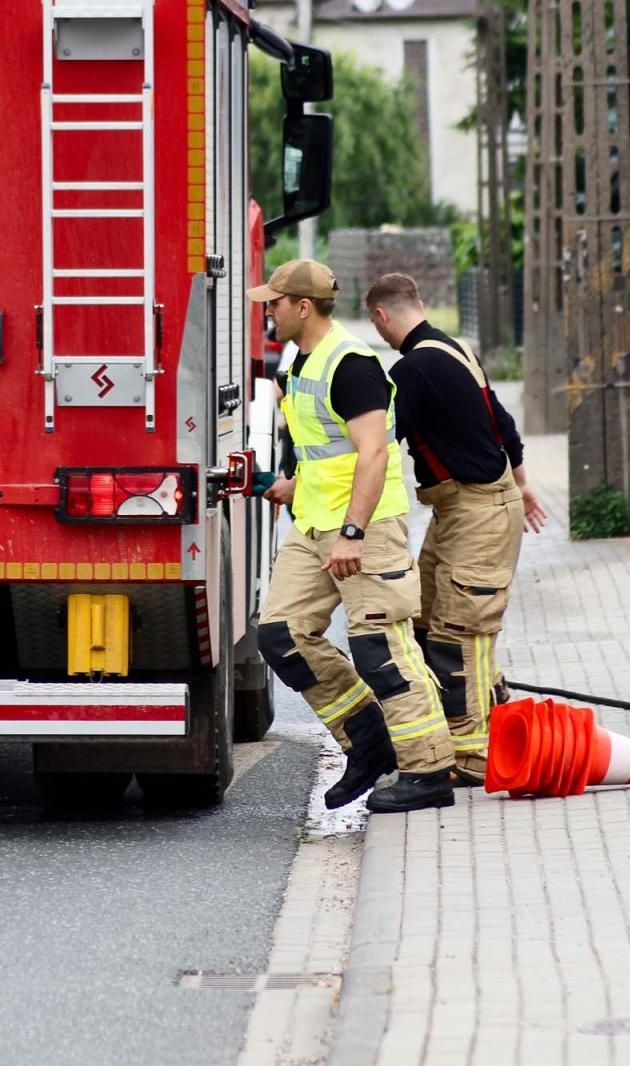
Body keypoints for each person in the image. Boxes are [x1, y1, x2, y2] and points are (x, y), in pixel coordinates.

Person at [250, 259, 457, 814]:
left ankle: (428, 770)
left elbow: (373, 453)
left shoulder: (351, 364)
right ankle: (368, 744)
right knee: (281, 636)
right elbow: (328, 451)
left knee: (381, 648)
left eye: (274, 301)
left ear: (301, 306)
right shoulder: (302, 360)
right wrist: (292, 485)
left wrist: (352, 533)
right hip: (315, 520)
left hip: (363, 529)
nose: (266, 310)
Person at [363, 272, 547, 787]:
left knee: (458, 635)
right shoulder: (455, 350)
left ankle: (473, 755)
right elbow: (503, 423)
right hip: (464, 509)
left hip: (478, 513)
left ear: (381, 316)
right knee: (426, 619)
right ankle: (490, 721)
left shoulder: (413, 369)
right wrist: (523, 485)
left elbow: (378, 444)